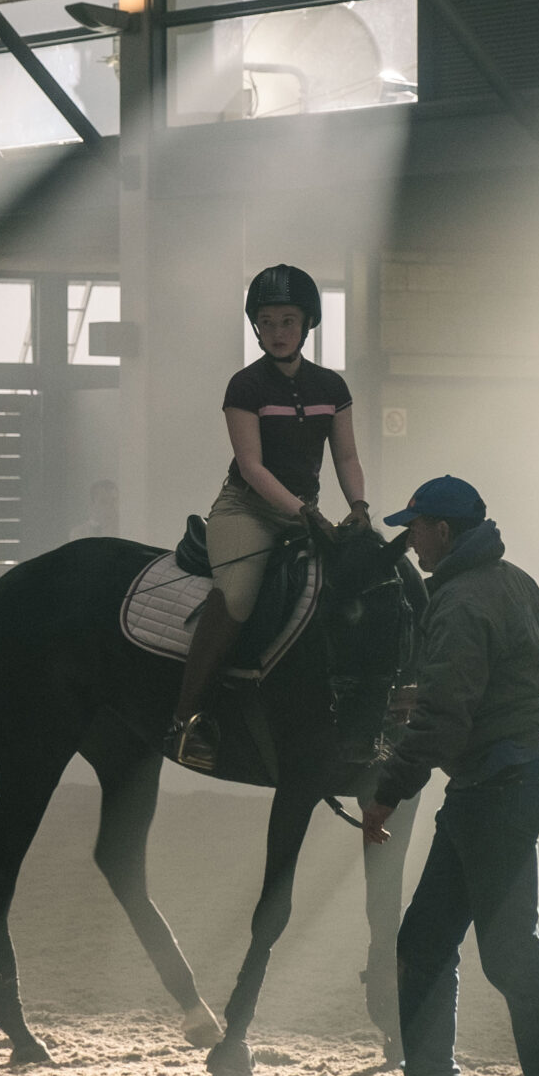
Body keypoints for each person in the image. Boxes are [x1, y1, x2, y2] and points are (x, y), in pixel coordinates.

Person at [353, 475, 539, 1076]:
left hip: (491, 790)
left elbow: (445, 720)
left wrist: (387, 790)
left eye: (417, 528)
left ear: (444, 531)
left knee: (501, 948)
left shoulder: (459, 601)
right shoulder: (516, 582)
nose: (410, 541)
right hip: (506, 783)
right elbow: (499, 683)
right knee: (431, 942)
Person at [168, 265, 370, 767]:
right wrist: (306, 512)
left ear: (307, 324)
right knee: (237, 594)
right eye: (267, 321)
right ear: (255, 327)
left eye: (287, 320)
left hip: (306, 513)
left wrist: (360, 508)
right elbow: (253, 468)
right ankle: (185, 717)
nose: (277, 332)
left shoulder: (332, 386)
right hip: (249, 510)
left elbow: (345, 457)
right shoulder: (245, 386)